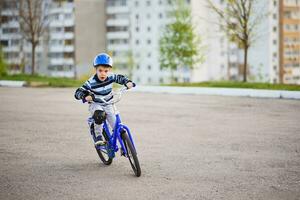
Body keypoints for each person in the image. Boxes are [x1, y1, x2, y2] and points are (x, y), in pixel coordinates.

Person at [74, 53, 134, 146]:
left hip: (108, 102)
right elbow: (78, 92)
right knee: (99, 115)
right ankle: (98, 137)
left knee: (116, 126)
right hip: (96, 103)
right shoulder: (91, 82)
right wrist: (85, 96)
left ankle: (125, 145)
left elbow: (120, 78)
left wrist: (128, 82)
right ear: (96, 70)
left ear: (109, 70)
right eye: (100, 70)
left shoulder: (110, 76)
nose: (103, 73)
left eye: (106, 71)